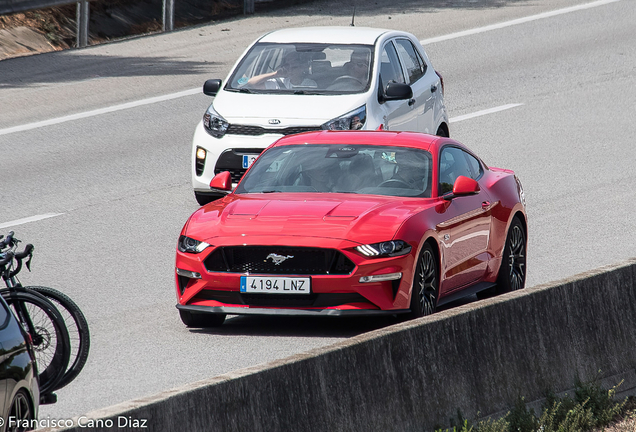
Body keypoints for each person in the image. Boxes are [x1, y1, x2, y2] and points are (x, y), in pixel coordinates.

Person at [246, 52, 317, 90]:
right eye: (288, 66)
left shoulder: (309, 84)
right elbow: (251, 83)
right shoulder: (278, 82)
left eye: (294, 67)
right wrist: (275, 74)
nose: (290, 70)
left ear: (301, 68)